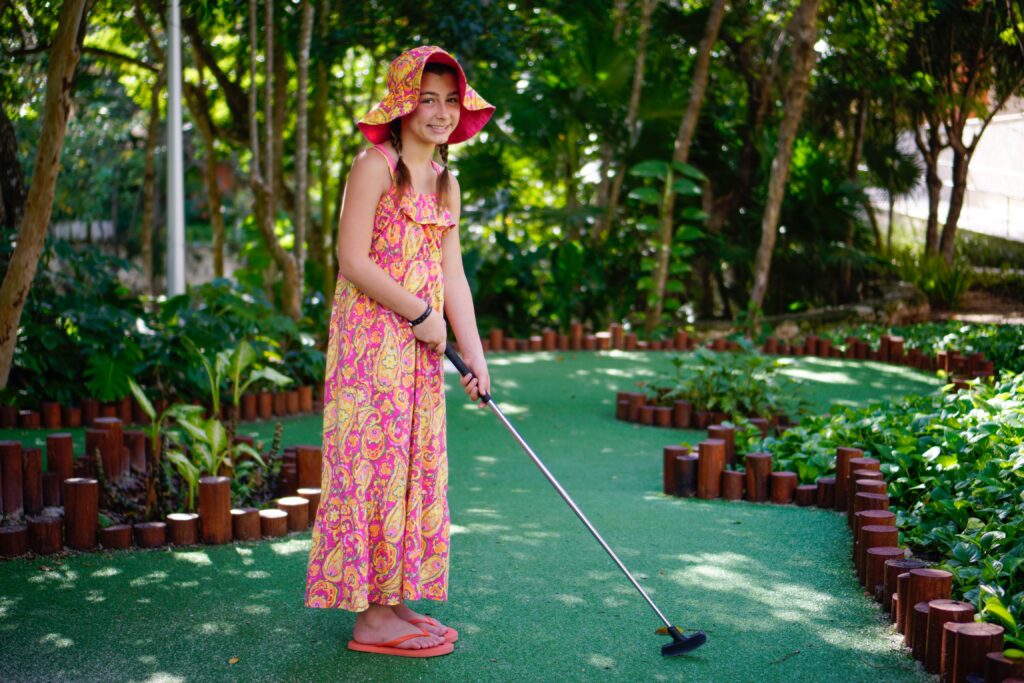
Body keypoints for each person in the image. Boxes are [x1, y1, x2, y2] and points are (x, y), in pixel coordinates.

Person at [304, 45, 494, 659]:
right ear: (403, 103)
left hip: (420, 350)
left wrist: (475, 354)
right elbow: (352, 260)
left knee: (409, 469)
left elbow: (453, 274)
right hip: (370, 349)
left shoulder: (447, 181)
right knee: (370, 467)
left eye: (449, 101)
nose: (440, 112)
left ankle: (390, 600)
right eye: (427, 99)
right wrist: (420, 313)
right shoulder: (376, 166)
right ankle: (370, 618)